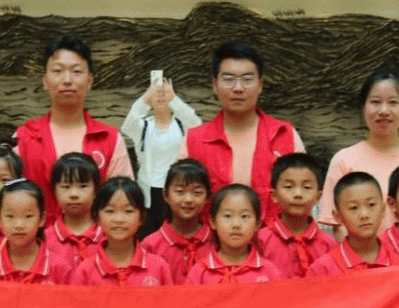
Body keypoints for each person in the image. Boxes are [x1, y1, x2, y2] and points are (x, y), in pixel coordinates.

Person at [179, 43, 304, 222]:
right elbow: (183, 203)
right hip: (211, 238)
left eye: (247, 79)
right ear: (215, 85)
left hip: (274, 237)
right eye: (228, 79)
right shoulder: (194, 140)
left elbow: (302, 199)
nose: (238, 88)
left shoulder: (285, 135)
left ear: (260, 85)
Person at [318, 68, 399, 235]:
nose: (384, 111)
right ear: (363, 107)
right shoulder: (343, 160)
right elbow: (338, 225)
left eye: (393, 102)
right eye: (375, 102)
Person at [15, 36, 132, 217]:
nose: (67, 80)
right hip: (38, 235)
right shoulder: (23, 137)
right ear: (45, 80)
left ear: (90, 81)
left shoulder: (110, 139)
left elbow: (123, 203)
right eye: (58, 71)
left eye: (76, 71)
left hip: (96, 235)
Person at [120, 76, 202, 237]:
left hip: (175, 188)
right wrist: (145, 98)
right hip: (148, 189)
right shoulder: (143, 126)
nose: (160, 97)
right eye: (156, 94)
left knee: (175, 234)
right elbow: (127, 125)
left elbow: (197, 123)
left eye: (164, 94)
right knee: (148, 235)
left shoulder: (181, 125)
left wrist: (174, 99)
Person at [70, 177, 173, 286]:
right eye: (110, 211)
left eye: (128, 211)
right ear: (97, 217)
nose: (119, 219)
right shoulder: (85, 270)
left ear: (142, 217)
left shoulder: (159, 267)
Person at [256, 152, 335, 278]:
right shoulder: (260, 240)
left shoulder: (328, 243)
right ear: (274, 195)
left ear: (318, 197)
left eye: (307, 187)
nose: (298, 194)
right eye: (289, 187)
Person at [185, 184, 283, 284]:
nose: (236, 224)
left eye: (244, 216)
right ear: (213, 222)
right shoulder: (200, 272)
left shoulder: (269, 271)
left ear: (257, 224)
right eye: (228, 216)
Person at [0, 179, 71, 284]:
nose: (19, 225)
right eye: (10, 216)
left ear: (41, 219)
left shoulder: (60, 268)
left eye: (28, 216)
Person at [139, 159, 215, 284]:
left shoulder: (217, 241)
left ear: (208, 197)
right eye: (180, 192)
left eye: (197, 192)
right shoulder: (151, 245)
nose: (188, 199)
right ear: (165, 195)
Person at [307, 171, 393, 277]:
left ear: (383, 210)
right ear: (338, 216)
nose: (364, 215)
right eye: (353, 207)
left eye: (371, 205)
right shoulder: (322, 270)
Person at [48, 152, 105, 266]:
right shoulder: (45, 240)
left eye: (83, 186)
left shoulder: (109, 236)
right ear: (54, 191)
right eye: (66, 187)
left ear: (96, 191)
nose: (74, 194)